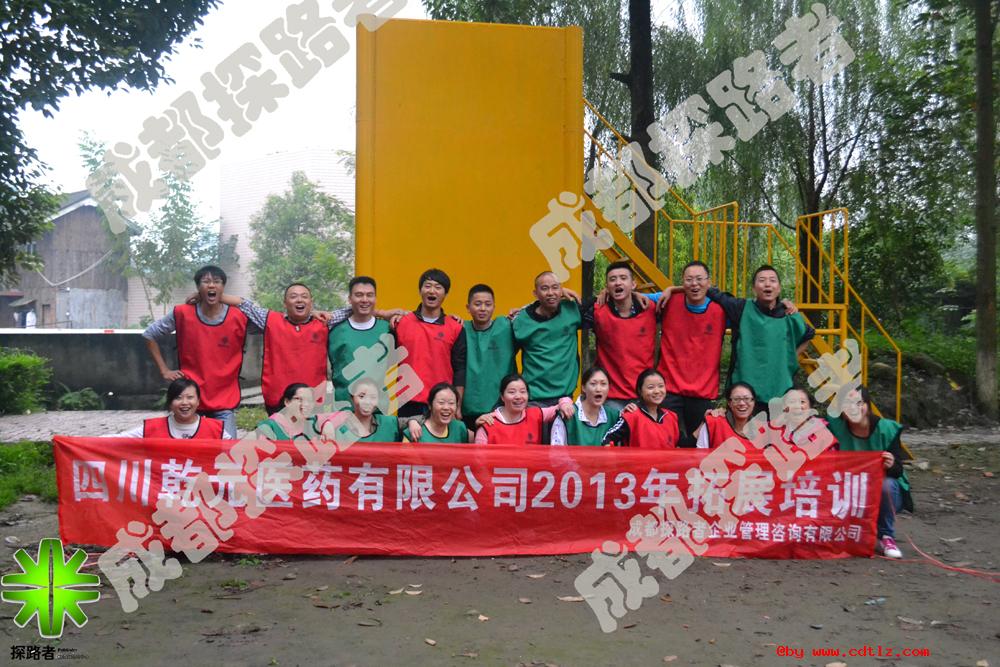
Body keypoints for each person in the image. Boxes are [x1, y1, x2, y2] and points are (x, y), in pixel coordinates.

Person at [142, 265, 247, 438]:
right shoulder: (183, 313)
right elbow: (149, 334)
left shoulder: (239, 316)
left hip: (224, 398)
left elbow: (267, 323)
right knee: (188, 450)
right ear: (198, 287)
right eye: (206, 282)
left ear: (223, 287)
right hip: (189, 398)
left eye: (217, 282)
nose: (211, 285)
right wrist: (164, 370)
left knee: (228, 451)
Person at [208, 284, 329, 415]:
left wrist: (314, 313)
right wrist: (207, 296)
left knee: (311, 429)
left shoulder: (324, 322)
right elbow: (244, 304)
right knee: (279, 428)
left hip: (313, 399)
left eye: (304, 296)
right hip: (278, 399)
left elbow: (344, 312)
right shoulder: (270, 319)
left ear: (311, 302)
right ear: (285, 303)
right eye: (293, 296)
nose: (299, 300)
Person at [705, 264, 814, 404]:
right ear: (754, 288)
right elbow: (711, 293)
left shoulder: (788, 314)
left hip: (779, 388)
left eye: (772, 280)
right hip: (744, 392)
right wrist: (678, 288)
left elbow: (808, 334)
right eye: (762, 280)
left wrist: (789, 358)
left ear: (779, 288)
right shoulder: (741, 308)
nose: (767, 284)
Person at [826, 386, 912, 559]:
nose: (853, 408)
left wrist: (891, 464)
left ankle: (886, 536)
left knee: (887, 485)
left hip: (881, 492)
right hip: (850, 489)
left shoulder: (886, 429)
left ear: (867, 405)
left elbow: (897, 471)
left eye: (859, 403)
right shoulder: (835, 427)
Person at [656, 261, 728, 445]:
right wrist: (605, 292)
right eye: (689, 280)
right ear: (682, 282)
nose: (694, 284)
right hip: (669, 389)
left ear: (709, 282)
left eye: (699, 279)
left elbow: (754, 309)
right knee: (667, 443)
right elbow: (628, 297)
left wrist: (784, 305)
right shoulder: (667, 301)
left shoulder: (722, 308)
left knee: (699, 445)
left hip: (703, 392)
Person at [392, 268, 467, 418]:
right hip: (408, 401)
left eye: (438, 287)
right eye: (427, 286)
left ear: (446, 294)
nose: (432, 291)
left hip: (442, 402)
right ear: (420, 290)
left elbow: (460, 369)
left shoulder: (455, 328)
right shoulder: (401, 323)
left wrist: (457, 405)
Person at [584, 262, 656, 412]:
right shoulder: (597, 311)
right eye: (613, 279)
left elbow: (688, 293)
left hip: (644, 395)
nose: (618, 282)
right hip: (611, 397)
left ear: (633, 284)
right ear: (607, 287)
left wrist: (674, 289)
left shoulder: (650, 308)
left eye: (623, 278)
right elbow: (563, 311)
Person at [512, 272, 582, 407]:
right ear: (535, 293)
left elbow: (606, 304)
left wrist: (634, 294)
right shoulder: (521, 320)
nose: (550, 292)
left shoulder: (572, 309)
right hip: (533, 398)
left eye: (555, 287)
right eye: (544, 288)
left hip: (565, 398)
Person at [328, 276, 395, 406]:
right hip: (345, 406)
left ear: (375, 298)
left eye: (369, 295)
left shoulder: (388, 329)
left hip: (378, 406)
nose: (364, 300)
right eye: (359, 295)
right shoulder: (335, 331)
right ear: (350, 299)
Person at [460, 284, 517, 431]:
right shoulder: (460, 328)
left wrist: (561, 291)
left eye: (488, 304)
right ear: (468, 307)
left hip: (501, 408)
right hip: (467, 410)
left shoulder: (506, 326)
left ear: (494, 307)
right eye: (478, 304)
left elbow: (537, 310)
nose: (483, 308)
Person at [105, 378, 228, 439]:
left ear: (198, 401)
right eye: (178, 398)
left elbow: (234, 450)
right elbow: (121, 438)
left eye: (190, 397)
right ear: (170, 403)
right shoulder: (152, 428)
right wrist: (92, 443)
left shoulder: (216, 430)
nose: (184, 403)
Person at [475, 374, 574, 445]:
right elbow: (479, 461)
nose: (518, 396)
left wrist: (565, 404)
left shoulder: (536, 414)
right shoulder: (488, 424)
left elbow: (561, 404)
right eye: (512, 392)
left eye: (523, 392)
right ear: (502, 396)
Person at [603, 369, 680, 448]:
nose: (657, 391)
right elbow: (607, 439)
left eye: (661, 386)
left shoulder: (672, 417)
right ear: (640, 391)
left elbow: (682, 445)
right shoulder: (631, 416)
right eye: (651, 387)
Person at [319, 376, 407, 443]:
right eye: (361, 396)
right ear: (352, 398)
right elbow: (314, 420)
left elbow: (411, 421)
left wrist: (412, 422)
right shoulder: (340, 422)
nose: (367, 402)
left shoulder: (389, 423)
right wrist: (328, 423)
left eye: (373, 397)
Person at [550, 366, 621, 446]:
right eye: (593, 384)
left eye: (603, 384)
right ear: (583, 387)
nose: (598, 389)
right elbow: (556, 450)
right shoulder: (567, 414)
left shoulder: (614, 416)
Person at [695, 382, 757, 449]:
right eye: (736, 399)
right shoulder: (713, 423)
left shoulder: (763, 429)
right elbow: (700, 453)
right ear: (729, 403)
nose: (742, 403)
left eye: (747, 398)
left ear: (753, 402)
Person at [404, 383, 472, 443]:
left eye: (451, 403)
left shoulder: (459, 428)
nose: (446, 407)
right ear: (430, 405)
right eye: (441, 403)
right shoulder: (414, 430)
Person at [256, 383, 324, 441]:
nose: (306, 404)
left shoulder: (311, 420)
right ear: (287, 402)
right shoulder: (272, 426)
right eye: (299, 399)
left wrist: (327, 424)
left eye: (309, 400)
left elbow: (327, 418)